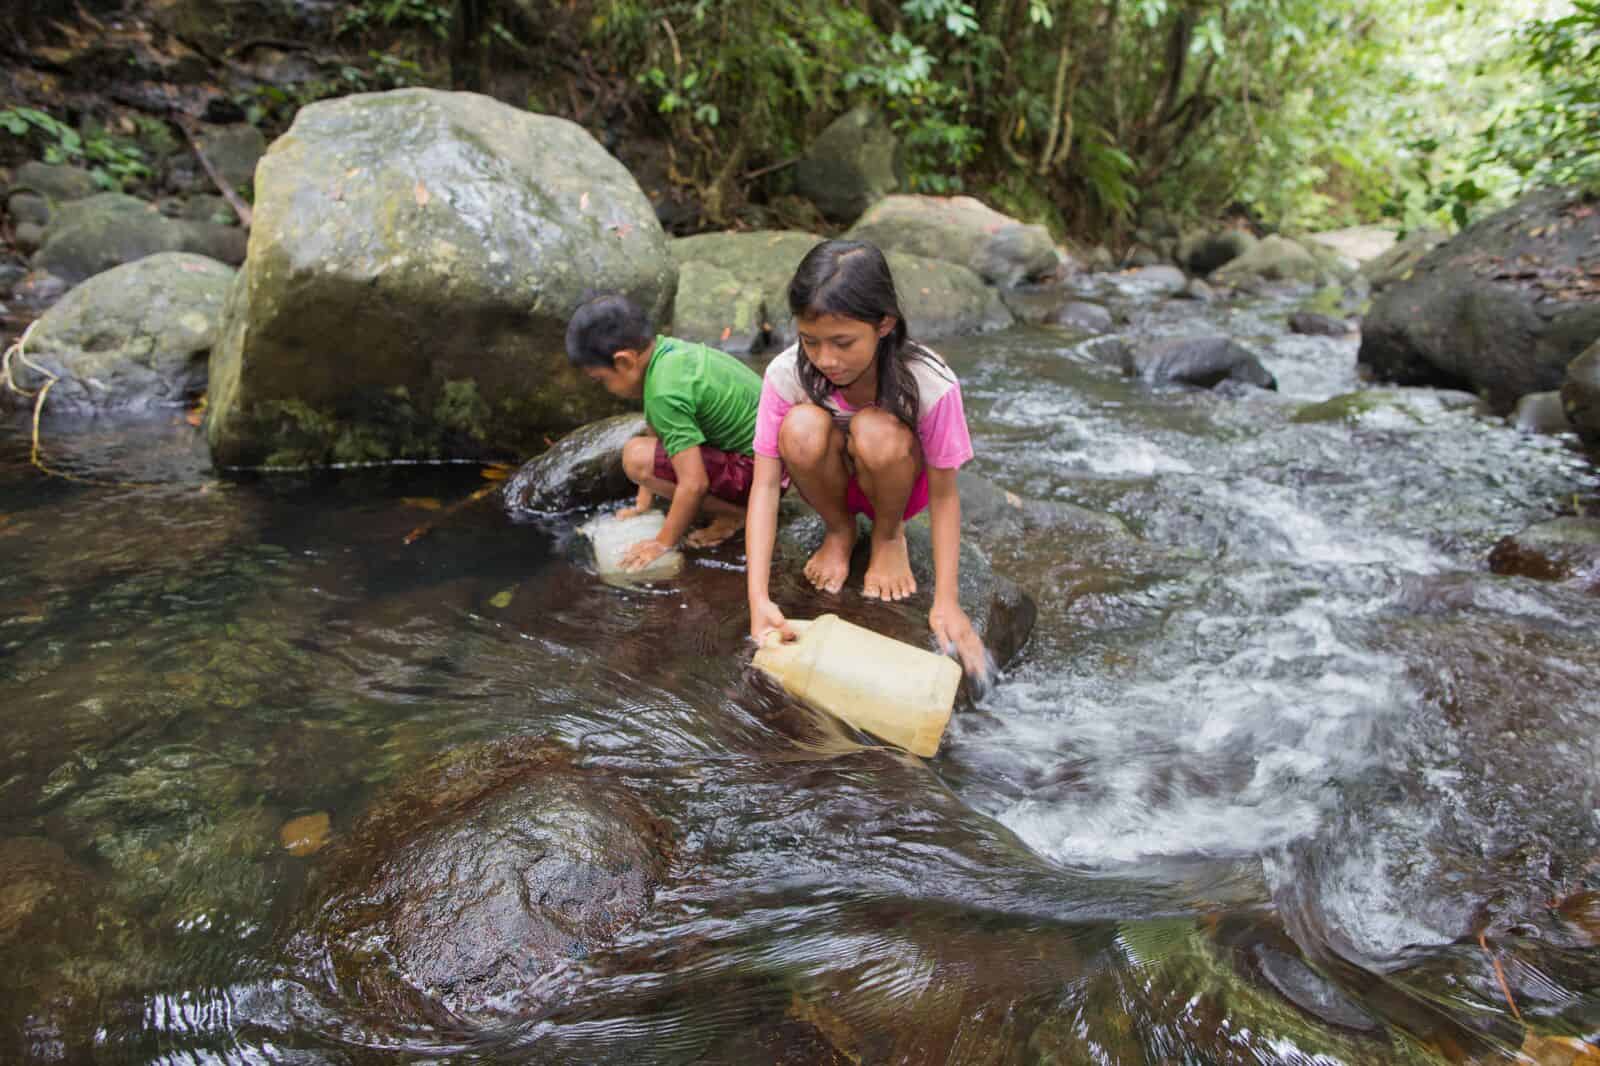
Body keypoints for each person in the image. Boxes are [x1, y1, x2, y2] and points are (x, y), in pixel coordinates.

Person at [745, 239, 987, 677]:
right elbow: (764, 486)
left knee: (875, 430)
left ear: (884, 324)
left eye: (842, 342)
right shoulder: (785, 374)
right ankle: (839, 531)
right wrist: (758, 600)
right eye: (810, 341)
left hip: (894, 484)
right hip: (829, 483)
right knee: (799, 427)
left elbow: (945, 496)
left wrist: (946, 601)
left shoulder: (929, 382)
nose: (826, 360)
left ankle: (886, 536)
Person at [566, 293, 763, 571]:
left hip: (761, 474)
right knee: (642, 449)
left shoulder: (663, 393)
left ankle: (740, 514)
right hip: (769, 462)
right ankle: (739, 507)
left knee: (636, 458)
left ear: (624, 362)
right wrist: (642, 506)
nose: (603, 387)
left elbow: (694, 483)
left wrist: (662, 543)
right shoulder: (669, 355)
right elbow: (657, 434)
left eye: (601, 380)